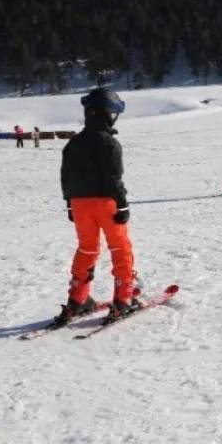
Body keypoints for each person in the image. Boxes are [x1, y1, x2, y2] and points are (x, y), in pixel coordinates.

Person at [58, 87, 140, 325]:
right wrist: (122, 205)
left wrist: (70, 204)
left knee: (87, 248)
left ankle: (78, 299)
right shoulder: (109, 143)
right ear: (107, 114)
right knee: (119, 247)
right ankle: (123, 300)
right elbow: (114, 178)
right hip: (105, 202)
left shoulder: (73, 143)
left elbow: (65, 177)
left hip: (79, 203)